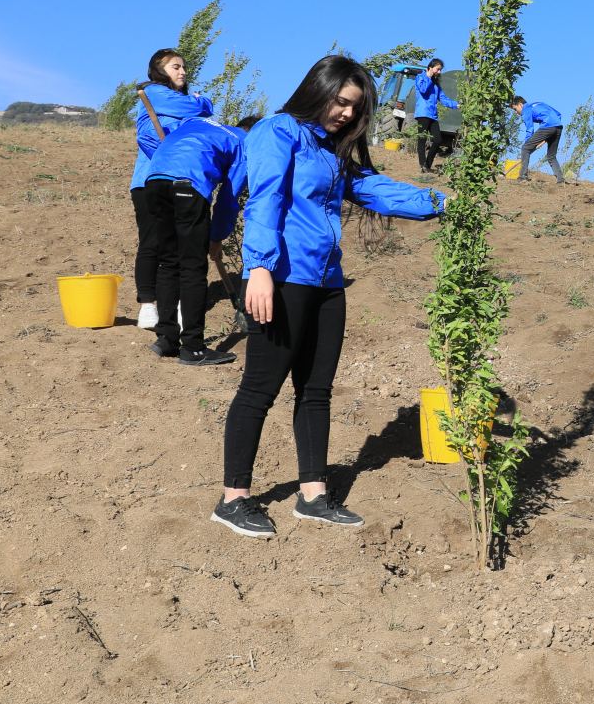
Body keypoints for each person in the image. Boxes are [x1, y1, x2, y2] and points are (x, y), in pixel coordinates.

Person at [213, 56, 447, 539]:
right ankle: (233, 499)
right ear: (317, 90)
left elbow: (374, 190)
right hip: (282, 278)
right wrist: (259, 268)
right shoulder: (279, 131)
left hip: (326, 282)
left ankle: (313, 495)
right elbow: (265, 199)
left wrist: (442, 202)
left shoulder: (331, 151)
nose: (346, 113)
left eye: (355, 107)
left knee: (317, 390)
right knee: (259, 388)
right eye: (340, 102)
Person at [143, 115, 259, 365]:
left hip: (153, 180)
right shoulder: (244, 143)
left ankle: (167, 339)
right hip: (188, 184)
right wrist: (216, 237)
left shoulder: (196, 122)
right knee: (192, 267)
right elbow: (228, 198)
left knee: (168, 262)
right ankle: (193, 348)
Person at [130, 48, 214, 331]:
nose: (183, 72)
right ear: (159, 70)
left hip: (182, 181)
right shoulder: (153, 92)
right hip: (149, 179)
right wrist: (201, 102)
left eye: (184, 67)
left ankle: (177, 303)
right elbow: (195, 108)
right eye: (175, 67)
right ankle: (148, 303)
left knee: (181, 244)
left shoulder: (181, 103)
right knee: (153, 241)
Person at [411, 58, 458, 174]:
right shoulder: (421, 77)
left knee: (438, 140)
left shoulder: (435, 84)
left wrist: (456, 105)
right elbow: (423, 90)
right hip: (423, 113)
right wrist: (429, 76)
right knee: (422, 140)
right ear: (431, 68)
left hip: (432, 115)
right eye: (438, 69)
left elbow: (443, 99)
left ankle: (427, 164)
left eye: (440, 70)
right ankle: (423, 166)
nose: (439, 72)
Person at [510, 96, 566, 182]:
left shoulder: (526, 110)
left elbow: (530, 130)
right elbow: (558, 114)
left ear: (520, 105)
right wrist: (548, 135)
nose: (516, 112)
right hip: (558, 126)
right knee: (551, 156)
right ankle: (561, 180)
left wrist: (527, 146)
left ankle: (522, 177)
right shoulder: (538, 104)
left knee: (525, 148)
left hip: (547, 126)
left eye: (515, 109)